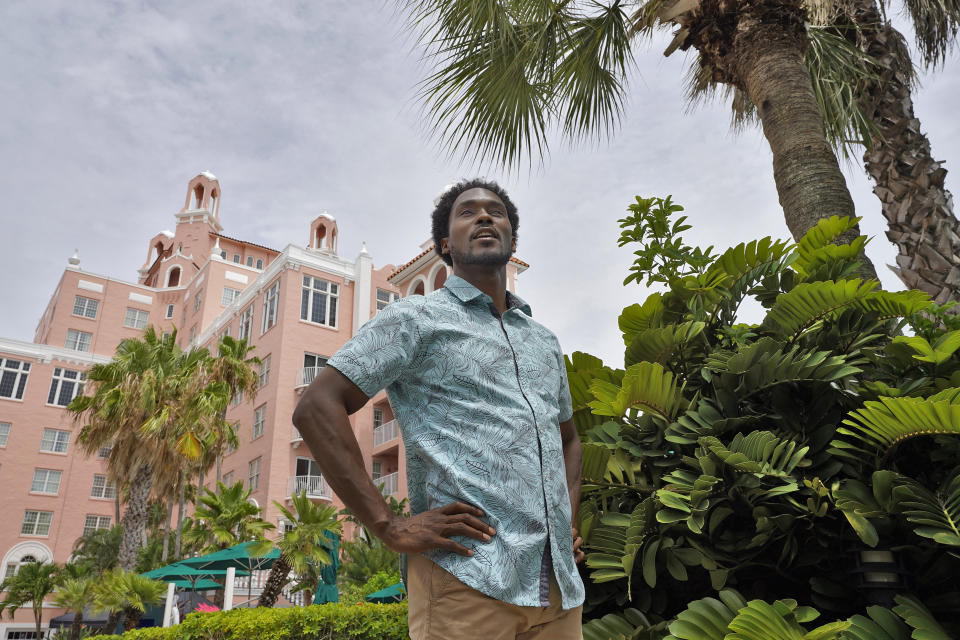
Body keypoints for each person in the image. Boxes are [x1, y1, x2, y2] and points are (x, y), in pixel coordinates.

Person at [292, 178, 585, 639]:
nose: (485, 216)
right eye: (468, 212)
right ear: (446, 244)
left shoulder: (543, 341)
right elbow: (316, 406)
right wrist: (388, 525)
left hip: (557, 591)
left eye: (497, 211)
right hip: (467, 578)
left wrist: (564, 523)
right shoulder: (414, 319)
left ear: (512, 237)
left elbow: (567, 438)